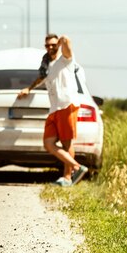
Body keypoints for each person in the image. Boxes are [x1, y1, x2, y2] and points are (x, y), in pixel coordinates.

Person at [17, 34, 88, 186]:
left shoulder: (65, 59)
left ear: (58, 45)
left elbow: (68, 45)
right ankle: (77, 167)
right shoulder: (47, 65)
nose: (50, 48)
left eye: (53, 45)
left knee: (67, 143)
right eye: (47, 45)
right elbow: (40, 78)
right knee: (49, 143)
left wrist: (64, 39)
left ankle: (68, 178)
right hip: (54, 108)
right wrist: (28, 89)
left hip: (67, 105)